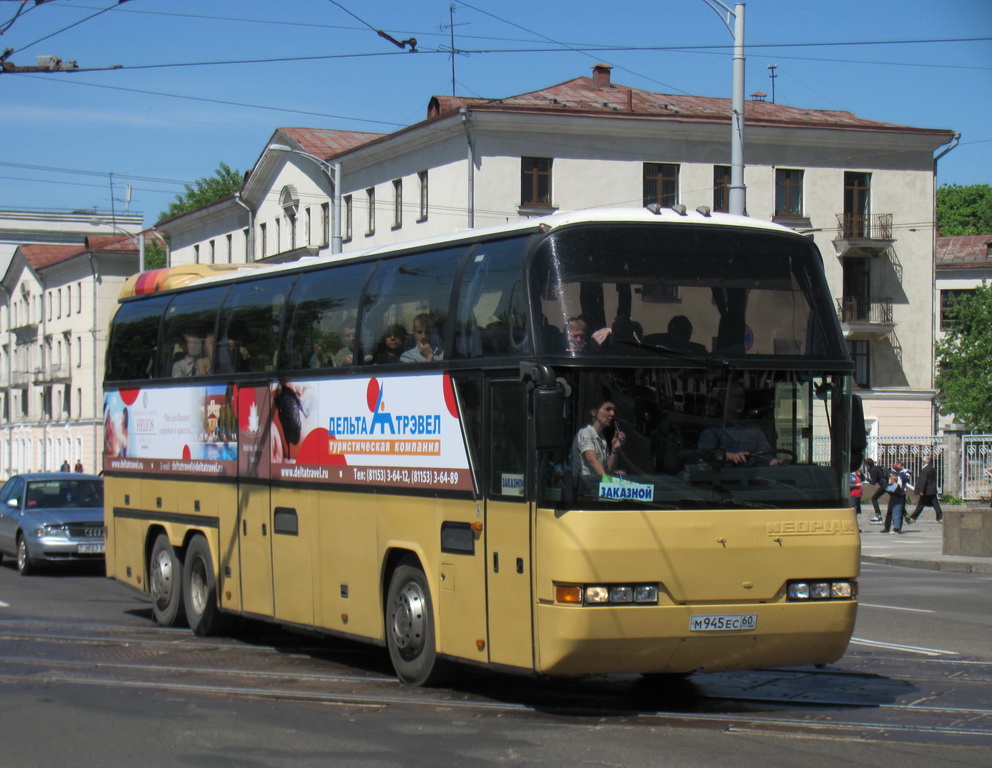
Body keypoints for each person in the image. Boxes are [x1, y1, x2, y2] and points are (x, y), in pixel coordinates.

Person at [698, 384, 783, 466]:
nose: (739, 400)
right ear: (722, 399)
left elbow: (767, 460)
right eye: (734, 396)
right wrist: (729, 457)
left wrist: (780, 462)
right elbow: (705, 457)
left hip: (752, 479)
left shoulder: (754, 429)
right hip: (722, 478)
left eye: (741, 397)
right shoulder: (712, 430)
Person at [570, 399, 626, 477]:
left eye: (613, 410)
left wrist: (614, 450)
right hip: (584, 486)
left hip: (596, 487)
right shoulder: (585, 432)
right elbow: (592, 460)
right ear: (594, 412)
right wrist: (607, 482)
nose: (612, 414)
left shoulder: (603, 440)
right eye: (608, 409)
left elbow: (606, 471)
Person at [907, 455, 943, 523]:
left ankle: (913, 517)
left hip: (926, 491)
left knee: (921, 504)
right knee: (935, 504)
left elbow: (923, 480)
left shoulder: (925, 470)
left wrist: (921, 490)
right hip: (932, 490)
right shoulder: (932, 469)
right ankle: (939, 517)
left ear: (924, 462)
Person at [881, 460, 912, 534]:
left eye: (897, 465)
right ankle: (887, 527)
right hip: (893, 493)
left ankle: (898, 528)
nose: (895, 466)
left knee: (898, 511)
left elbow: (906, 478)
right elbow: (890, 478)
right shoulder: (893, 471)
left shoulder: (906, 472)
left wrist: (897, 476)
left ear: (901, 465)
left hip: (901, 493)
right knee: (890, 511)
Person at [864, 458, 887, 524]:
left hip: (883, 485)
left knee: (874, 498)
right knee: (894, 498)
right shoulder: (877, 468)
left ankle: (878, 515)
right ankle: (905, 514)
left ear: (868, 465)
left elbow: (873, 482)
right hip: (887, 484)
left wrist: (867, 479)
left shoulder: (873, 470)